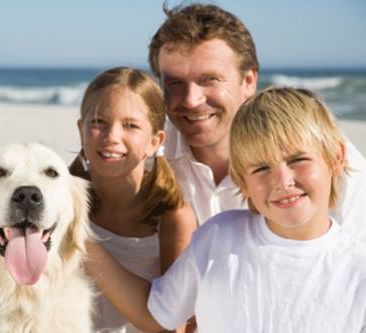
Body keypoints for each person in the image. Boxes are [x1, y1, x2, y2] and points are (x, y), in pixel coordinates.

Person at [86, 87, 366, 332]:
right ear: (242, 181)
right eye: (261, 168)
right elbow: (156, 313)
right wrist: (81, 238)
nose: (283, 181)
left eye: (299, 159)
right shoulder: (219, 236)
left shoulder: (358, 268)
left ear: (336, 158)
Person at [149, 3, 366, 239]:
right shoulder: (146, 156)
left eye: (209, 79)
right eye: (175, 84)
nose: (191, 101)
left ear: (249, 81)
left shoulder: (321, 157)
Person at [70, 67, 197, 333]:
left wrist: (81, 239)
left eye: (130, 125)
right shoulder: (62, 199)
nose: (112, 137)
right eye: (98, 122)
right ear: (81, 130)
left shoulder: (173, 217)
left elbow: (170, 327)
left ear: (155, 141)